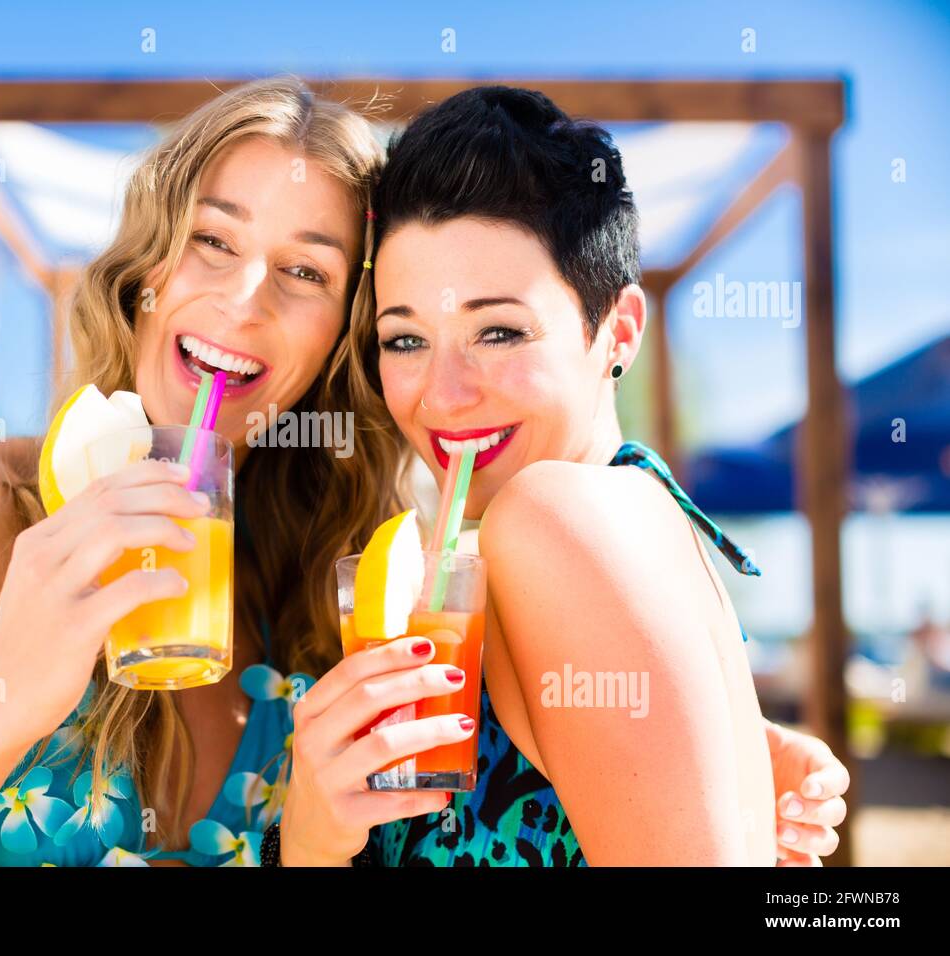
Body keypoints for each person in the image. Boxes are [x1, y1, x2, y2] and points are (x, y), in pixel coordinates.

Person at [0, 78, 845, 867]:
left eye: (305, 271)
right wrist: (6, 689)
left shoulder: (334, 587)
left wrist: (699, 744)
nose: (243, 300)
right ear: (145, 268)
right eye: (211, 240)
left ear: (337, 340)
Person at [281, 85, 849, 865]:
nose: (443, 395)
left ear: (617, 331)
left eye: (500, 331)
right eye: (405, 340)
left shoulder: (552, 519)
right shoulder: (629, 517)